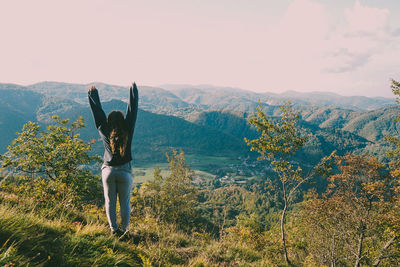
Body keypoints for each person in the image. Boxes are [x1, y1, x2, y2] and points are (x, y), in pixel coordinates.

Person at [88, 83, 138, 236]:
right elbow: (132, 111)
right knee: (124, 204)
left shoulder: (104, 129)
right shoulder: (128, 129)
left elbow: (98, 113)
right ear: (122, 121)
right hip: (125, 172)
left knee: (110, 202)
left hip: (108, 172)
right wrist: (133, 91)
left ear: (109, 121)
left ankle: (113, 230)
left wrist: (93, 95)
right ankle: (124, 231)